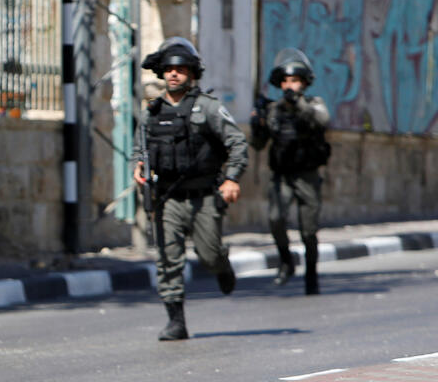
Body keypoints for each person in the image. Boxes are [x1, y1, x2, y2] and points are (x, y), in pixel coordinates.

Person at [133, 37, 248, 341]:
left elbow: (237, 143)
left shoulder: (208, 108)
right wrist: (139, 168)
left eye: (181, 69)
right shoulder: (152, 112)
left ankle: (222, 267)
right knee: (168, 258)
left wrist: (232, 179)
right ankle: (176, 321)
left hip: (204, 196)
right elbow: (139, 149)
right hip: (167, 197)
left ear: (192, 73)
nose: (174, 74)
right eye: (169, 69)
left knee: (208, 255)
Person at [250, 48, 330, 295]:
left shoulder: (314, 105)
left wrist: (300, 106)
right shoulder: (275, 110)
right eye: (285, 81)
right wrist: (258, 123)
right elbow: (259, 144)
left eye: (294, 81)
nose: (289, 86)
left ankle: (312, 274)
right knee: (275, 219)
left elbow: (323, 120)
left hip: (307, 175)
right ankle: (286, 260)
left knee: (308, 230)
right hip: (282, 175)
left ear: (303, 83)